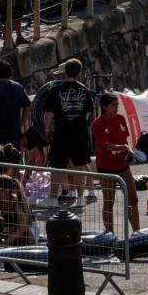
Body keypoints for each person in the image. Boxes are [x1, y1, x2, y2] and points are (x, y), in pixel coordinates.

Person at [43, 59, 96, 202]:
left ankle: (53, 200)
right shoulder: (84, 89)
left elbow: (49, 113)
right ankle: (79, 198)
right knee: (80, 166)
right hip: (80, 133)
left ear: (65, 72)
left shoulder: (55, 90)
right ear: (79, 73)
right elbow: (88, 112)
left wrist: (47, 129)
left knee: (57, 166)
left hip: (61, 133)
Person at [92, 92, 140, 234]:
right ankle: (110, 235)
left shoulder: (120, 119)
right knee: (109, 202)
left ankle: (137, 232)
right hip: (106, 167)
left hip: (122, 165)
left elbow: (125, 141)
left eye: (117, 104)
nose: (116, 107)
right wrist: (123, 148)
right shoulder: (97, 124)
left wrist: (129, 150)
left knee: (133, 198)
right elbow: (106, 145)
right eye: (114, 105)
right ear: (104, 107)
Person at [0, 59, 31, 163]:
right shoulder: (18, 87)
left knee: (1, 165)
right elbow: (28, 106)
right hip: (15, 133)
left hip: (0, 135)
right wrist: (22, 124)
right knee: (15, 163)